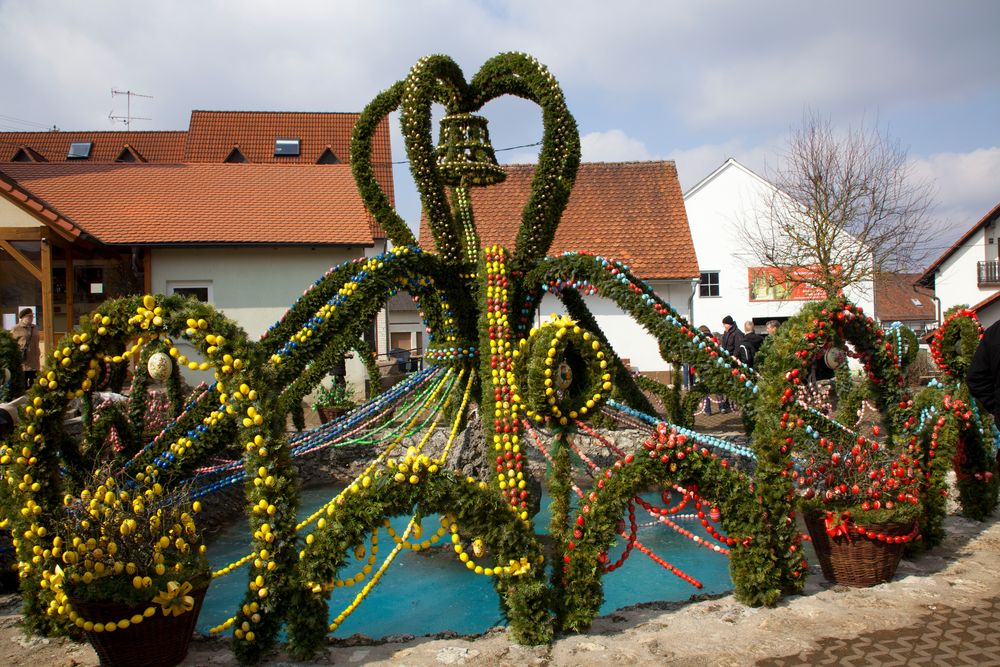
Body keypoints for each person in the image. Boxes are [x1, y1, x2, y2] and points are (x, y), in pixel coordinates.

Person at [11, 308, 39, 389]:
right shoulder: (16, 329)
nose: (31, 318)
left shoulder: (35, 328)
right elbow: (11, 344)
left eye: (32, 316)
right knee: (23, 387)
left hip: (35, 362)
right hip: (23, 363)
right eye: (29, 316)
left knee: (34, 387)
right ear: (23, 317)